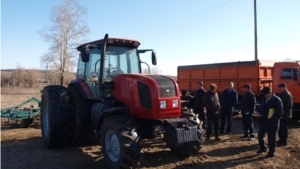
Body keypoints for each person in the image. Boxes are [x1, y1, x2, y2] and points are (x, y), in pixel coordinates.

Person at [257, 87, 283, 158]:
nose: (264, 95)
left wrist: (271, 121)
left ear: (270, 93)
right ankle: (263, 148)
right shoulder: (264, 99)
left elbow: (279, 113)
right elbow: (261, 107)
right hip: (263, 121)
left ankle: (272, 152)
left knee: (271, 139)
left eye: (266, 94)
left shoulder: (277, 100)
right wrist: (259, 112)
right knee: (260, 136)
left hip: (272, 123)